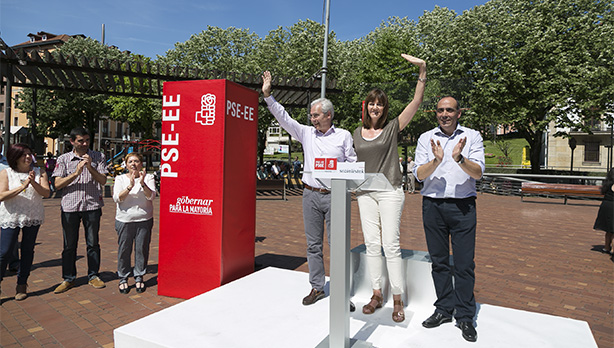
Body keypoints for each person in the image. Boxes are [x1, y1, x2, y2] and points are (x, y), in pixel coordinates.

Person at [262, 71, 357, 308]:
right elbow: (285, 119)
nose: (312, 118)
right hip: (311, 195)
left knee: (338, 245)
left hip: (336, 196)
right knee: (313, 244)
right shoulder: (305, 133)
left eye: (316, 115)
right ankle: (317, 286)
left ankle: (340, 290)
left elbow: (353, 163)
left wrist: (345, 176)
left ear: (328, 115)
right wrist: (268, 96)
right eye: (311, 115)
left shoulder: (344, 136)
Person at [353, 54, 426, 323]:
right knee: (372, 245)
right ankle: (376, 294)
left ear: (384, 109)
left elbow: (416, 102)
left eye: (380, 104)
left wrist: (422, 72)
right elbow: (350, 164)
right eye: (372, 103)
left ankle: (397, 298)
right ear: (366, 107)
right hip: (364, 193)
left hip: (389, 191)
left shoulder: (393, 127)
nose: (376, 108)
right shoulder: (355, 133)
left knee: (390, 245)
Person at [414, 96, 485, 342]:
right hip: (433, 206)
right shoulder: (426, 138)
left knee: (464, 264)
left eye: (450, 110)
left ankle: (465, 315)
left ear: (458, 113)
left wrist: (458, 158)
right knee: (439, 262)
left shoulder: (472, 137)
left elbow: (478, 173)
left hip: (463, 207)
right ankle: (444, 309)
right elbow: (420, 175)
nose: (445, 114)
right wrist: (437, 160)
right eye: (441, 110)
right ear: (436, 113)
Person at [53, 127, 108, 294]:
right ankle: (68, 278)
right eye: (80, 141)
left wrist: (90, 167)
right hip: (70, 207)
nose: (84, 144)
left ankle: (93, 275)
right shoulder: (63, 159)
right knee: (69, 245)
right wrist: (76, 173)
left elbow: (103, 180)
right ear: (72, 142)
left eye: (87, 140)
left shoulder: (98, 157)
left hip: (91, 206)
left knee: (93, 243)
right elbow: (57, 185)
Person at [0, 143, 50, 301]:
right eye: (24, 154)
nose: (28, 157)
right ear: (15, 156)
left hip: (32, 215)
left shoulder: (39, 172)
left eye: (29, 153)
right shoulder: (6, 173)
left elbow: (47, 193)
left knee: (28, 250)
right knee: (4, 251)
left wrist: (33, 182)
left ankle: (22, 284)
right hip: (11, 215)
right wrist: (22, 187)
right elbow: (2, 195)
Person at [113, 152, 156, 294]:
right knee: (124, 249)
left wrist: (142, 183)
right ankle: (123, 278)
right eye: (130, 161)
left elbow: (151, 196)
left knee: (141, 249)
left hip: (144, 219)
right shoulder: (120, 179)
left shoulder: (148, 177)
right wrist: (130, 186)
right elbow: (117, 198)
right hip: (125, 220)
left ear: (141, 164)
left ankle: (139, 276)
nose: (133, 164)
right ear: (126, 164)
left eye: (136, 161)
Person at [594, 168, 613, 255]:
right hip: (613, 207)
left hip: (605, 206)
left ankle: (606, 247)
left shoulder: (606, 184)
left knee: (608, 230)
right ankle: (612, 250)